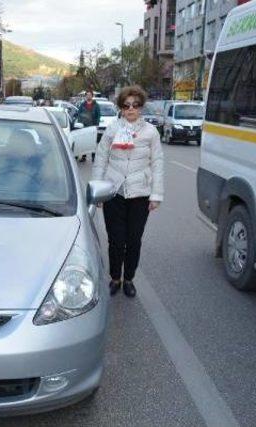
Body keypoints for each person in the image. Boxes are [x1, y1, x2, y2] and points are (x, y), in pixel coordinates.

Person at [91, 85, 164, 298]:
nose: (131, 109)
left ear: (141, 107)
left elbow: (157, 163)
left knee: (134, 239)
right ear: (121, 107)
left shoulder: (151, 132)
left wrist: (156, 195)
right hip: (114, 193)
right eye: (126, 105)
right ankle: (115, 277)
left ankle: (129, 279)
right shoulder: (113, 130)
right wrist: (98, 190)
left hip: (140, 194)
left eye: (135, 105)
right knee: (115, 239)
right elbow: (101, 159)